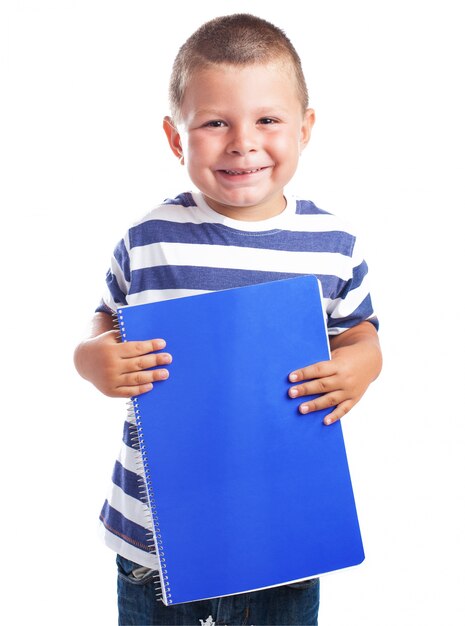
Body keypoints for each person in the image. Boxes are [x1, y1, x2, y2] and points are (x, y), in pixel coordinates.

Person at [74, 13, 382, 626]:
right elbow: (105, 321)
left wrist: (359, 367)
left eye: (268, 119)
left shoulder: (332, 242)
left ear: (306, 127)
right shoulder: (148, 237)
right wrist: (92, 360)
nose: (243, 141)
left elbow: (360, 332)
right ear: (174, 136)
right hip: (155, 536)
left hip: (284, 532)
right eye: (214, 123)